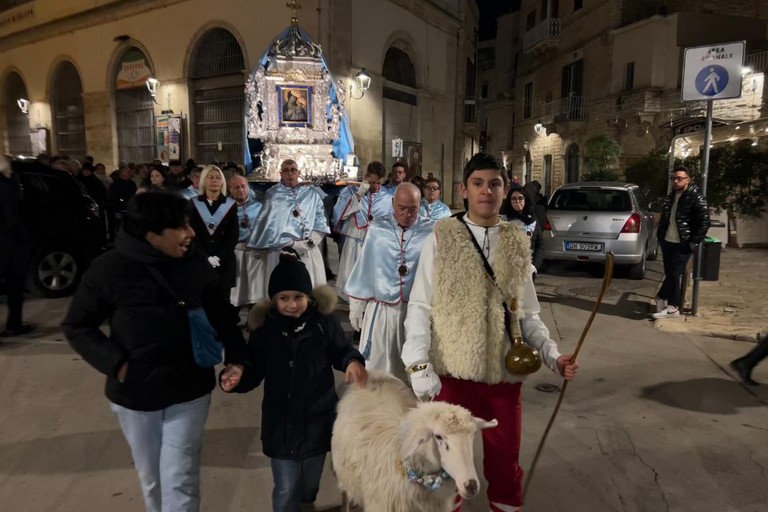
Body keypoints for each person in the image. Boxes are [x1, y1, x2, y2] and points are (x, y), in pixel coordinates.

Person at [401, 153, 579, 512]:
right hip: (451, 376)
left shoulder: (516, 241)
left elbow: (527, 315)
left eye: (494, 184)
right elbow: (420, 306)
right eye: (478, 183)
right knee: (445, 470)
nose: (486, 191)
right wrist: (418, 366)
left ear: (505, 189)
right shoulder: (442, 237)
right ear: (463, 190)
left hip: (503, 376)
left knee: (504, 467)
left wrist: (552, 356)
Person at [61, 192, 247, 512]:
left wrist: (237, 357)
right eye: (181, 227)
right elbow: (77, 326)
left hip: (189, 388)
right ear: (152, 237)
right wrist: (117, 364)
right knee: (151, 478)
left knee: (180, 477)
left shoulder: (195, 264)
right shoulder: (109, 269)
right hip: (136, 394)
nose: (190, 233)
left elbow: (222, 315)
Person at [221, 249, 367, 512]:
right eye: (284, 298)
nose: (292, 304)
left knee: (310, 483)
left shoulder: (323, 324)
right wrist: (238, 376)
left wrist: (352, 361)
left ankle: (307, 504)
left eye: (298, 297)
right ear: (273, 300)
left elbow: (340, 350)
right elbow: (253, 368)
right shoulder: (265, 331)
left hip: (317, 420)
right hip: (281, 426)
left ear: (308, 296)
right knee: (287, 486)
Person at [344, 183, 434, 382]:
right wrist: (356, 304)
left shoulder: (430, 231)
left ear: (420, 205)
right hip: (383, 310)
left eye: (413, 208)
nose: (407, 214)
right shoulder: (377, 229)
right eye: (402, 208)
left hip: (416, 310)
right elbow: (365, 266)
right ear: (393, 203)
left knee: (413, 371)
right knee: (381, 369)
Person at [247, 159, 330, 301]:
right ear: (280, 173)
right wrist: (288, 244)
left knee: (310, 289)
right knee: (284, 290)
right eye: (286, 170)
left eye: (293, 170)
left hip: (307, 249)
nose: (290, 174)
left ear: (298, 172)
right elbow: (268, 226)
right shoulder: (272, 195)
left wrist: (310, 242)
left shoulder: (311, 194)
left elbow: (321, 221)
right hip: (281, 250)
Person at [652, 166, 710, 319]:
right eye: (673, 178)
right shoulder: (672, 196)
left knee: (674, 273)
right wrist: (661, 236)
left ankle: (661, 297)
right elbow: (666, 218)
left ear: (688, 180)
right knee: (671, 274)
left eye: (679, 178)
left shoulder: (696, 196)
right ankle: (672, 308)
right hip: (668, 241)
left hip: (683, 243)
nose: (675, 181)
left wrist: (694, 242)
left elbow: (704, 222)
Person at [332, 161, 393, 295]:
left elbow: (390, 221)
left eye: (379, 183)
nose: (376, 187)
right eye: (372, 182)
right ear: (365, 177)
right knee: (351, 273)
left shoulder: (387, 197)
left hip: (376, 242)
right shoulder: (350, 191)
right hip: (355, 239)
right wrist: (358, 195)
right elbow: (340, 214)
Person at [189, 165, 239, 308]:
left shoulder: (230, 204)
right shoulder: (193, 203)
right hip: (201, 260)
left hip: (224, 261)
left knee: (223, 303)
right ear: (204, 181)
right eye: (210, 177)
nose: (214, 181)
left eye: (218, 178)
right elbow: (192, 234)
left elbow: (233, 235)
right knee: (203, 302)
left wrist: (218, 257)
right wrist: (205, 257)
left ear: (223, 182)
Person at [0, 156, 33, 338]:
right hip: (9, 245)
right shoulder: (7, 188)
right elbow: (12, 219)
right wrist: (24, 236)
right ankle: (13, 325)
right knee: (15, 286)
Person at [228, 174, 263, 307]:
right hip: (237, 252)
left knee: (256, 289)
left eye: (243, 186)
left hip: (257, 253)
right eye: (236, 187)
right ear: (229, 189)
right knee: (239, 289)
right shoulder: (226, 207)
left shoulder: (259, 206)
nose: (241, 190)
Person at [501, 185, 544, 275]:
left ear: (525, 199)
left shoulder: (533, 220)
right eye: (514, 199)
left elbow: (540, 245)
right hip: (508, 269)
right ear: (509, 201)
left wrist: (535, 265)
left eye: (520, 198)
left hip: (528, 269)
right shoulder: (504, 221)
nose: (517, 201)